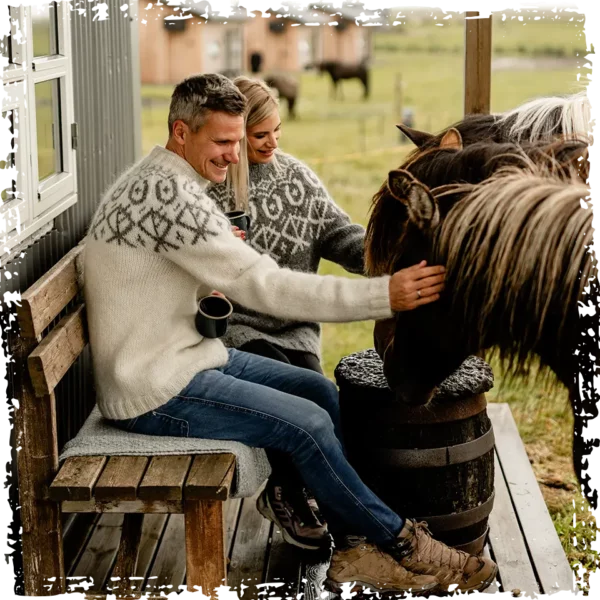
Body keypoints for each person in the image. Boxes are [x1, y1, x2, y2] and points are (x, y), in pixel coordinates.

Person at [83, 73, 497, 597]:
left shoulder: (165, 182)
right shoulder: (169, 197)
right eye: (223, 141)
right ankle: (405, 546)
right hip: (152, 386)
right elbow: (265, 286)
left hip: (183, 355)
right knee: (304, 425)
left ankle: (352, 551)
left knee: (322, 393)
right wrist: (385, 295)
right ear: (180, 132)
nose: (235, 157)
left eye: (239, 140)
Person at [205, 75, 368, 549]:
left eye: (277, 131)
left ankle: (320, 493)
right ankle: (286, 491)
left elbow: (342, 236)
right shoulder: (210, 189)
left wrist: (389, 258)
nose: (273, 142)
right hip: (235, 331)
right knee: (293, 405)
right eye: (261, 135)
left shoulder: (297, 176)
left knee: (322, 393)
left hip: (295, 327)